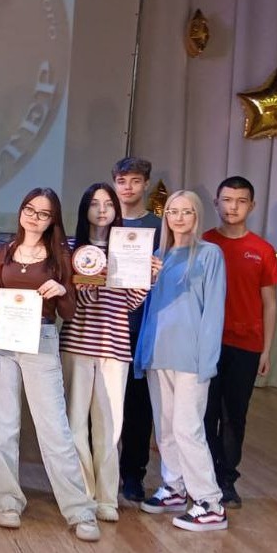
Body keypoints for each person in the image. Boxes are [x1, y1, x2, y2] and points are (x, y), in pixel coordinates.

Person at [0, 188, 101, 542]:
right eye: (29, 209)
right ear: (20, 212)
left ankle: (79, 510)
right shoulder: (1, 254)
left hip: (41, 341)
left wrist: (62, 290)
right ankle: (7, 501)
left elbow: (70, 311)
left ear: (53, 220)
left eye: (44, 213)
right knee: (3, 428)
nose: (34, 217)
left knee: (55, 430)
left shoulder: (60, 257)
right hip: (1, 344)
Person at [59, 184, 153, 523]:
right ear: (84, 209)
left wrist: (146, 279)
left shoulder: (129, 250)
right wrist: (83, 288)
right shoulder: (70, 248)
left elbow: (129, 303)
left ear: (116, 209)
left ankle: (107, 497)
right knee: (74, 424)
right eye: (95, 204)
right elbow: (67, 306)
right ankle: (83, 493)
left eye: (108, 204)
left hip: (115, 346)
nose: (101, 210)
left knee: (111, 425)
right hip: (77, 344)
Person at [136, 190, 228, 531]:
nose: (178, 217)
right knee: (166, 428)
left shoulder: (209, 254)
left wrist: (207, 360)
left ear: (197, 216)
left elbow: (214, 311)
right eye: (173, 211)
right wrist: (143, 354)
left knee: (188, 428)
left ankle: (209, 501)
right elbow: (147, 310)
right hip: (158, 354)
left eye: (186, 211)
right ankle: (174, 487)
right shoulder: (157, 256)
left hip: (190, 358)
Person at [202, 176, 277, 509]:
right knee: (204, 413)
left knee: (234, 414)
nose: (232, 207)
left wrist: (267, 349)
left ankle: (226, 480)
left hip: (246, 346)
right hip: (207, 343)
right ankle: (203, 478)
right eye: (227, 199)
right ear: (216, 202)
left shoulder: (261, 250)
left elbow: (270, 303)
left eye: (240, 201)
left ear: (252, 205)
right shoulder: (204, 242)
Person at [112, 156, 162, 502]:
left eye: (134, 180)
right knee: (102, 403)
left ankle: (133, 475)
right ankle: (102, 472)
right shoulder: (104, 220)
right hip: (107, 324)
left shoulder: (160, 226)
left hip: (145, 324)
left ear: (146, 184)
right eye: (122, 180)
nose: (127, 187)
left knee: (138, 404)